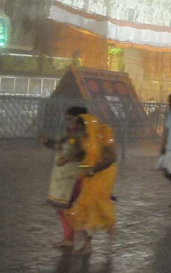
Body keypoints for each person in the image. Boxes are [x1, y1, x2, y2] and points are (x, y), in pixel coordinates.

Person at [66, 113, 118, 255]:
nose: (77, 130)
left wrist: (93, 169)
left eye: (79, 127)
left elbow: (111, 157)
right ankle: (94, 237)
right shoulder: (84, 137)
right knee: (88, 205)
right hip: (89, 173)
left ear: (86, 125)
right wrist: (71, 155)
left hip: (104, 174)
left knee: (88, 203)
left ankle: (106, 223)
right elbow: (81, 154)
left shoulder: (104, 132)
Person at [39, 106, 87, 249]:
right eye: (66, 119)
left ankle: (85, 241)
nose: (67, 122)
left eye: (70, 119)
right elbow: (58, 144)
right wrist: (46, 141)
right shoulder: (69, 134)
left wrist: (68, 158)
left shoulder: (83, 136)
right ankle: (69, 238)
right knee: (62, 209)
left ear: (78, 120)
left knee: (73, 209)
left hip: (74, 177)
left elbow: (83, 154)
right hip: (63, 177)